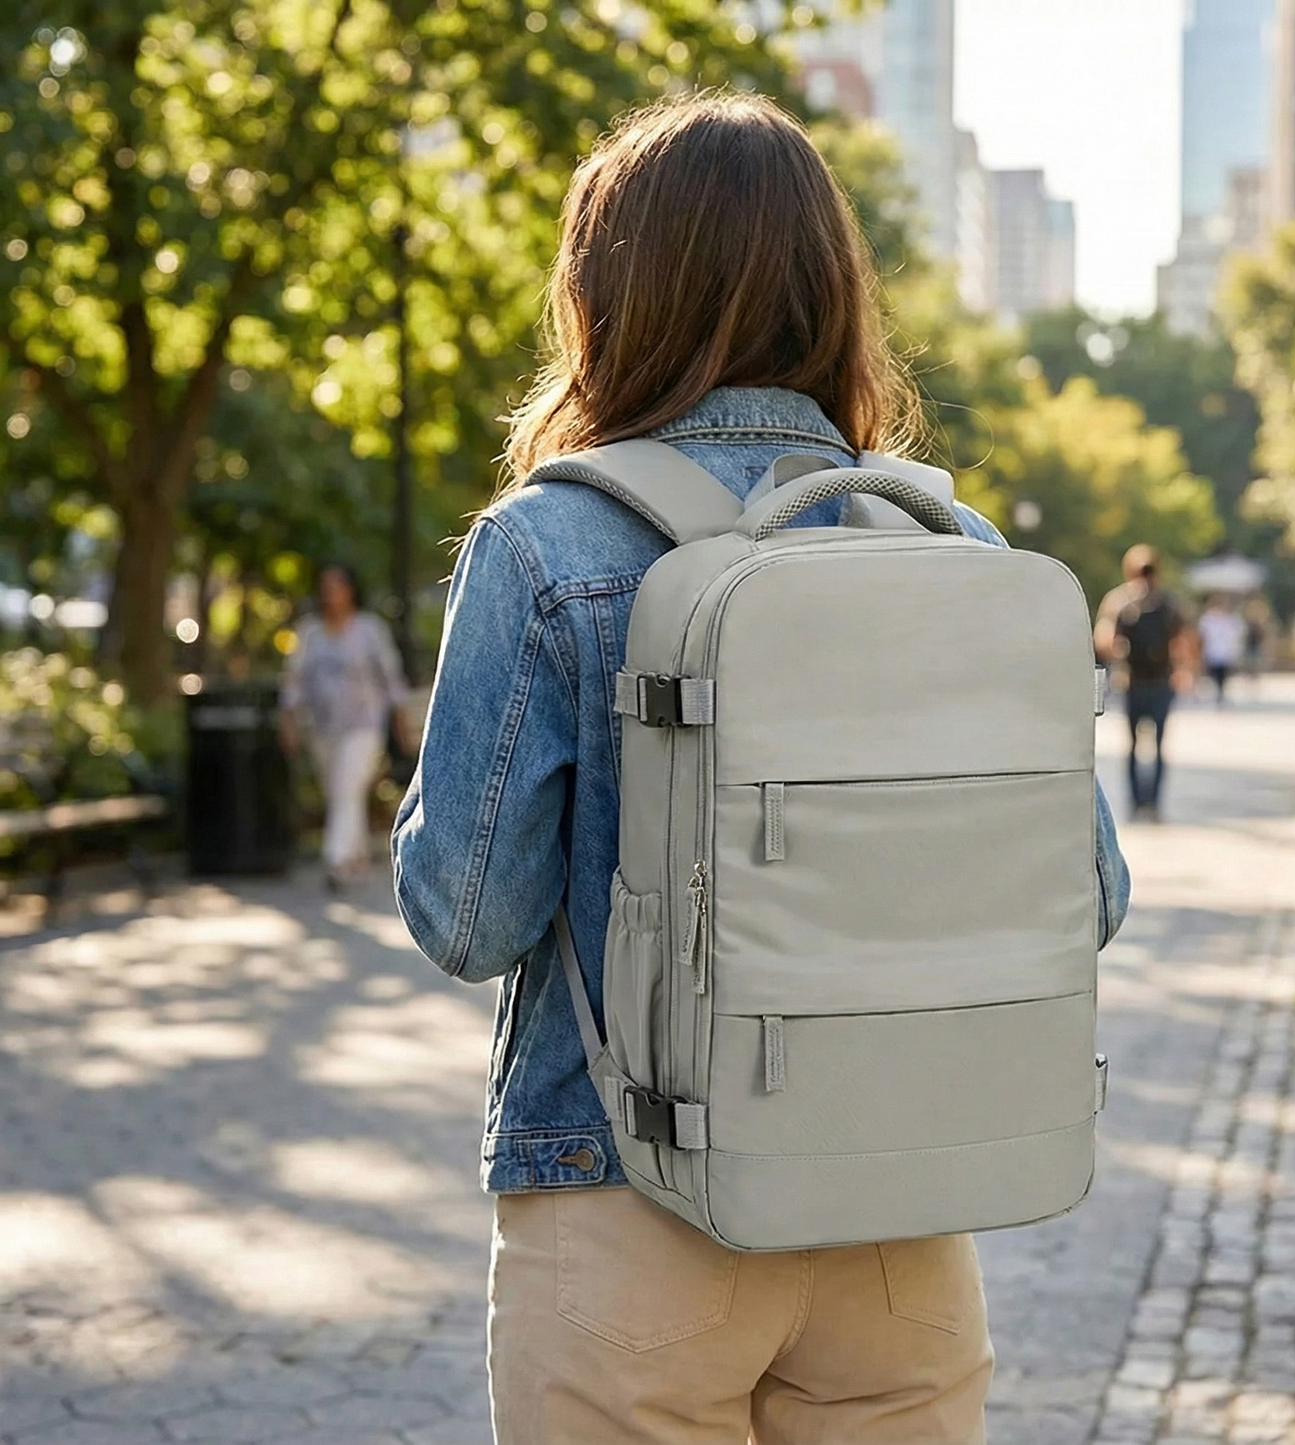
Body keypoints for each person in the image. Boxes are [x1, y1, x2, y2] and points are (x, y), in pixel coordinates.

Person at [392, 93, 1131, 1445]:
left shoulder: (547, 546)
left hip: (625, 1202)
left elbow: (467, 915)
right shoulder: (948, 544)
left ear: (604, 295)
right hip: (899, 1213)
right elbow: (1087, 897)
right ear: (832, 288)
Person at [279, 563, 411, 889]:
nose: (330, 594)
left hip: (364, 725)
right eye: (325, 587)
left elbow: (391, 678)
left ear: (350, 590)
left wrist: (401, 722)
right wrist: (289, 722)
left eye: (336, 586)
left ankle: (336, 859)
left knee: (346, 787)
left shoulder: (369, 629)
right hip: (322, 728)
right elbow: (294, 683)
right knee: (341, 793)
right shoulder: (309, 632)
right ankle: (356, 857)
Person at [1095, 545, 1185, 821]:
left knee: (1133, 745)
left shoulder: (1119, 601)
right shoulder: (1168, 602)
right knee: (1157, 745)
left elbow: (1104, 641)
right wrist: (1184, 671)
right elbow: (1182, 641)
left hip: (1133, 681)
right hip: (1160, 681)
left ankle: (1136, 801)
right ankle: (1153, 802)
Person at [1197, 594, 1247, 706]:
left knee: (1223, 675)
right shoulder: (1207, 619)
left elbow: (1239, 632)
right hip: (1212, 652)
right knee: (1214, 675)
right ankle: (1218, 693)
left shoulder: (1230, 619)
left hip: (1225, 653)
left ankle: (1221, 693)